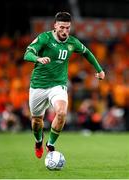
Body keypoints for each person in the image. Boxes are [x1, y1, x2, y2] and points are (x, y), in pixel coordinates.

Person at [24, 12, 105, 159]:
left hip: (58, 85)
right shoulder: (45, 38)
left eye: (67, 28)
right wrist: (38, 58)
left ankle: (50, 144)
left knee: (61, 113)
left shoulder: (72, 42)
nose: (65, 31)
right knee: (37, 121)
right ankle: (38, 141)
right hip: (38, 86)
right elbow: (27, 54)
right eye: (62, 27)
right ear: (55, 26)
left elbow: (86, 52)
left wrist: (99, 70)